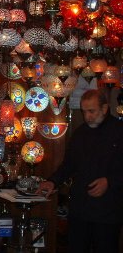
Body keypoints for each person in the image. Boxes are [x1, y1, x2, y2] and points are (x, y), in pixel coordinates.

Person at [37, 89, 123, 253]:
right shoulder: (80, 133)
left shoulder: (119, 131)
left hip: (109, 211)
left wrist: (109, 181)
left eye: (92, 111)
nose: (87, 116)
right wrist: (52, 181)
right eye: (84, 112)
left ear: (105, 108)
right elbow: (68, 165)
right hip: (80, 210)